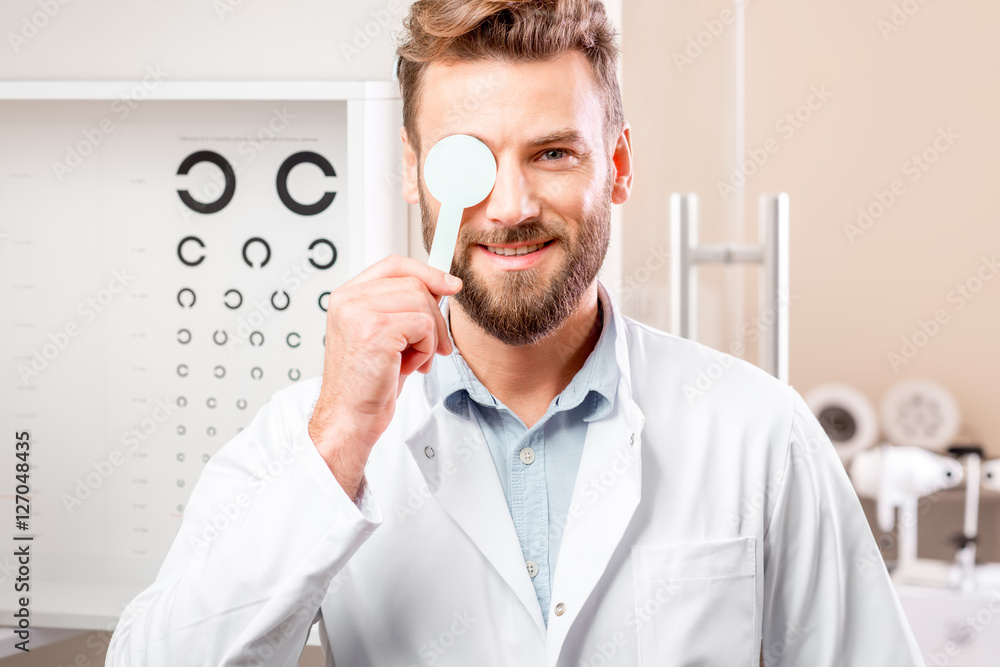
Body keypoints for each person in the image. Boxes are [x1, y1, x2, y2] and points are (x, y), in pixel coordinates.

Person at [106, 0, 926, 665]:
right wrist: (339, 443)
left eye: (555, 154)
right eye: (469, 157)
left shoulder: (758, 430)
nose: (509, 206)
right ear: (412, 168)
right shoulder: (308, 436)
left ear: (620, 165)